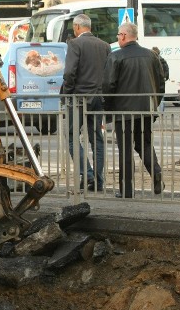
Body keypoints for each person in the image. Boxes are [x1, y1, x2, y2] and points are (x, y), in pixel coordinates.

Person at [102, 21, 165, 199]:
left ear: (123, 36)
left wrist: (108, 109)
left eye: (118, 35)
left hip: (124, 111)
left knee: (125, 150)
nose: (117, 38)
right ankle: (156, 172)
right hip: (146, 110)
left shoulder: (116, 57)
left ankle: (126, 189)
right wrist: (154, 103)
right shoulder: (151, 55)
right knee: (144, 144)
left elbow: (108, 85)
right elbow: (161, 83)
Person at [60, 14, 111, 192]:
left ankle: (88, 175)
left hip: (79, 98)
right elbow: (107, 73)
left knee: (72, 136)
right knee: (96, 137)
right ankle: (97, 179)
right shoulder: (104, 46)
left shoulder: (75, 44)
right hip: (98, 97)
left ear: (77, 27)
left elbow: (69, 73)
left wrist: (67, 93)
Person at [152, 47, 169, 112]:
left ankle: (155, 110)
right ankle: (161, 111)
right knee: (161, 95)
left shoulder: (154, 60)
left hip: (155, 80)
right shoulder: (163, 60)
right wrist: (165, 77)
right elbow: (167, 70)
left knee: (154, 95)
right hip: (162, 80)